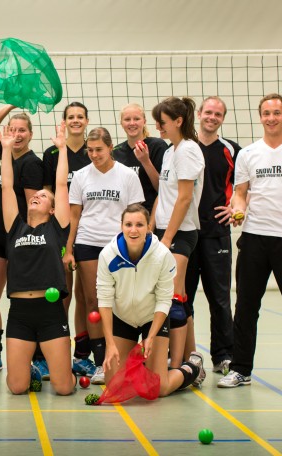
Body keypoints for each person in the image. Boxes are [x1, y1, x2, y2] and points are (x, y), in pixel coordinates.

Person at [217, 93, 282, 393]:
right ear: (260, 116)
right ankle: (240, 369)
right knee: (246, 307)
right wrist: (238, 207)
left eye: (277, 112)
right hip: (254, 238)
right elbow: (239, 193)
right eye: (266, 113)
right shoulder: (248, 154)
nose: (271, 117)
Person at [63, 127, 145, 384]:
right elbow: (74, 216)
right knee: (94, 303)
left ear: (110, 148)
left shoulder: (127, 175)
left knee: (123, 300)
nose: (94, 155)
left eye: (99, 149)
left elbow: (135, 213)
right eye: (90, 150)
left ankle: (127, 355)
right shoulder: (80, 176)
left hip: (118, 244)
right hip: (88, 242)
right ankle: (100, 362)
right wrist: (69, 247)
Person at [2, 122, 75, 395]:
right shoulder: (15, 227)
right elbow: (8, 187)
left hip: (50, 311)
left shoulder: (57, 228)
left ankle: (61, 370)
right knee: (17, 388)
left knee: (64, 388)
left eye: (43, 197)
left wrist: (62, 148)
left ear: (53, 209)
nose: (36, 196)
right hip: (19, 313)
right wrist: (7, 150)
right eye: (35, 195)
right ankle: (29, 369)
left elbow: (60, 183)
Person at [97, 204, 201, 396]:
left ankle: (192, 368)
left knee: (158, 389)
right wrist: (110, 343)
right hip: (123, 317)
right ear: (121, 226)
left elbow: (164, 300)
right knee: (113, 385)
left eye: (139, 224)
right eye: (128, 224)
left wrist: (151, 337)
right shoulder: (107, 255)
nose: (133, 230)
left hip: (152, 319)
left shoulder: (162, 255)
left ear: (148, 227)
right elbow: (104, 301)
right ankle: (147, 368)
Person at [0, 105, 43, 373]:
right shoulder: (5, 153)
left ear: (31, 134)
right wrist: (11, 104)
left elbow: (33, 209)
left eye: (22, 130)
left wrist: (29, 243)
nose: (17, 134)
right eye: (12, 130)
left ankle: (36, 355)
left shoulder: (31, 164)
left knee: (24, 298)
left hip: (21, 238)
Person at [150, 97, 206, 384]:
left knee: (171, 295)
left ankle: (176, 363)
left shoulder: (188, 150)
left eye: (162, 121)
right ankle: (192, 357)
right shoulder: (170, 152)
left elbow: (184, 198)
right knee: (180, 293)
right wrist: (152, 229)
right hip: (164, 231)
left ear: (178, 121)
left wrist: (168, 236)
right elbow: (165, 194)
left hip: (181, 232)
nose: (158, 126)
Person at [185, 97, 241, 376]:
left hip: (217, 233)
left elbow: (246, 186)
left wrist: (236, 207)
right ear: (199, 114)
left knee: (219, 297)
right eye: (208, 112)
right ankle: (185, 352)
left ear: (223, 118)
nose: (212, 117)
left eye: (218, 114)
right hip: (187, 233)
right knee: (182, 297)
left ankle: (224, 354)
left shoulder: (231, 150)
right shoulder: (186, 147)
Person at [42, 102, 94, 378]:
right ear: (64, 121)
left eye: (80, 117)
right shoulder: (52, 153)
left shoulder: (94, 151)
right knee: (62, 293)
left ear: (86, 121)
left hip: (88, 231)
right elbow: (49, 192)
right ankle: (57, 352)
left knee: (86, 296)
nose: (75, 120)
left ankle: (82, 354)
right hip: (60, 230)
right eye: (71, 117)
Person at [112, 103, 167, 212]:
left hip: (151, 213)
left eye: (136, 119)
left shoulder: (157, 146)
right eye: (127, 119)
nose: (132, 123)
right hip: (124, 215)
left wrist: (146, 162)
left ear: (144, 121)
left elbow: (163, 189)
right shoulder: (116, 151)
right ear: (121, 123)